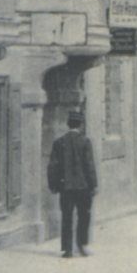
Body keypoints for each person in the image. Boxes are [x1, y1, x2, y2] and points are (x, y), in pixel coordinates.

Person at [47, 111, 97, 259]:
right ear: (80, 125)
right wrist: (93, 185)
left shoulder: (59, 142)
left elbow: (53, 166)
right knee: (84, 216)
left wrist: (53, 185)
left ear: (68, 124)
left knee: (67, 217)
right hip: (83, 187)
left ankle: (67, 250)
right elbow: (89, 165)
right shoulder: (85, 142)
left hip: (66, 187)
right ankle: (81, 246)